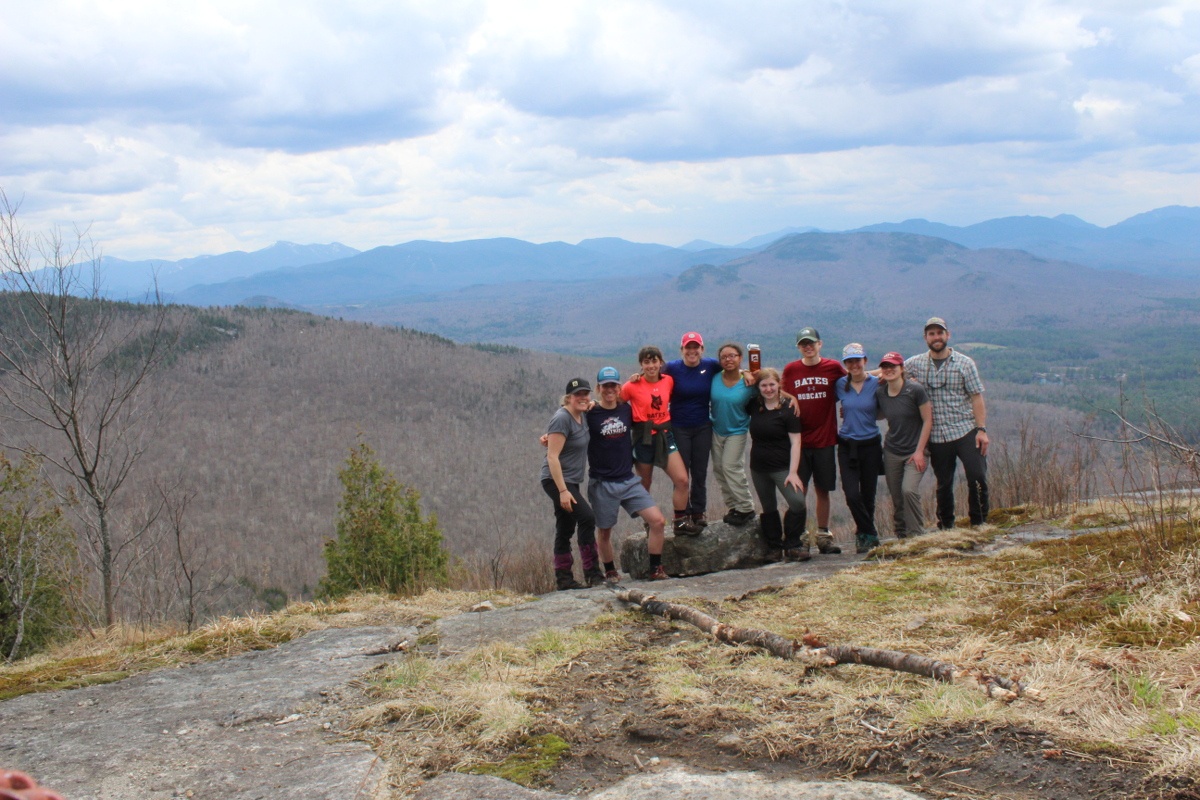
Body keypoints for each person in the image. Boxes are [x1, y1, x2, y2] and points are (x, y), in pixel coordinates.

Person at [903, 317, 990, 529]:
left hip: (965, 429)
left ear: (947, 335)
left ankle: (979, 523)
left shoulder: (964, 363)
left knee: (977, 476)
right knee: (943, 483)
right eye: (931, 334)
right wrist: (859, 376)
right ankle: (946, 526)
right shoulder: (916, 363)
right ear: (925, 338)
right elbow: (891, 372)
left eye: (940, 333)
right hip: (937, 434)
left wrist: (981, 430)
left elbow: (976, 397)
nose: (936, 337)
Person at [588, 367, 669, 582]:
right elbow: (570, 423)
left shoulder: (626, 409)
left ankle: (655, 568)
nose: (610, 390)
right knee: (605, 531)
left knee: (658, 521)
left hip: (628, 479)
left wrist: (640, 378)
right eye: (605, 386)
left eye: (613, 385)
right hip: (603, 482)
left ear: (619, 387)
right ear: (599, 388)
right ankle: (610, 570)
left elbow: (648, 404)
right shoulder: (591, 413)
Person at [621, 346, 699, 536]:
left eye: (654, 361)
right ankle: (649, 521)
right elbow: (615, 403)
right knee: (645, 483)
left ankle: (680, 521)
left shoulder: (668, 381)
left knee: (681, 479)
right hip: (643, 437)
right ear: (641, 364)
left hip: (665, 434)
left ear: (660, 363)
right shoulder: (631, 386)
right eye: (646, 362)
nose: (651, 365)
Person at [781, 327, 843, 554]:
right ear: (799, 347)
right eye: (803, 344)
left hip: (825, 439)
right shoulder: (791, 369)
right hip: (799, 441)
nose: (808, 347)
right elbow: (780, 391)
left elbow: (855, 381)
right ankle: (802, 536)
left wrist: (883, 376)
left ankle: (824, 535)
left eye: (811, 343)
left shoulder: (833, 367)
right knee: (800, 491)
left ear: (820, 344)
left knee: (823, 490)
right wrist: (791, 399)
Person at [539, 377, 599, 590]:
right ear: (568, 398)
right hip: (557, 481)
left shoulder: (581, 414)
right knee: (587, 518)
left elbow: (591, 405)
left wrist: (590, 405)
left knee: (565, 527)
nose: (583, 398)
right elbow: (552, 457)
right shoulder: (562, 418)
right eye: (578, 395)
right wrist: (563, 491)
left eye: (586, 394)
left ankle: (564, 579)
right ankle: (592, 573)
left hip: (570, 481)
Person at [746, 368, 811, 562]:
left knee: (797, 502)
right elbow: (740, 378)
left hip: (783, 467)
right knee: (769, 507)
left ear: (779, 385)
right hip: (758, 467)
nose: (768, 389)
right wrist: (745, 373)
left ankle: (792, 543)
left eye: (772, 385)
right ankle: (774, 547)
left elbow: (796, 442)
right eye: (764, 385)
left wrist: (793, 472)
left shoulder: (788, 408)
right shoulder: (753, 404)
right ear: (758, 387)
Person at [662, 332, 720, 527]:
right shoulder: (672, 368)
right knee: (681, 475)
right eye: (688, 347)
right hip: (679, 427)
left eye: (696, 347)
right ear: (682, 350)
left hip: (703, 425)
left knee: (700, 471)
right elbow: (651, 377)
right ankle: (682, 513)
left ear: (702, 349)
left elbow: (732, 370)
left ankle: (698, 512)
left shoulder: (711, 365)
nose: (692, 351)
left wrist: (748, 374)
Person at [876, 352, 932, 539]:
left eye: (893, 366)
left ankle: (917, 534)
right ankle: (901, 534)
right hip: (892, 450)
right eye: (885, 366)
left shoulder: (915, 390)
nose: (889, 369)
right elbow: (879, 414)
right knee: (897, 496)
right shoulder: (881, 392)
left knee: (908, 490)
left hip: (915, 450)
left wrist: (919, 452)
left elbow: (927, 420)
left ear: (902, 369)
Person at [835, 343, 884, 553]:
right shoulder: (839, 384)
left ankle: (862, 536)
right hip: (847, 445)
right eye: (850, 361)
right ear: (845, 364)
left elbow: (900, 375)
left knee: (868, 494)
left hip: (871, 444)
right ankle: (870, 532)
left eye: (858, 360)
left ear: (865, 360)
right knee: (851, 493)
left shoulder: (877, 383)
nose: (854, 364)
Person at [710, 342, 758, 526]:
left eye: (732, 356)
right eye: (724, 357)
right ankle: (733, 506)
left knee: (731, 466)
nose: (728, 360)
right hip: (716, 429)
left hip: (737, 431)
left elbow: (771, 390)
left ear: (740, 358)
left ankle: (746, 507)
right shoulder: (714, 378)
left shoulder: (749, 381)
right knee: (719, 469)